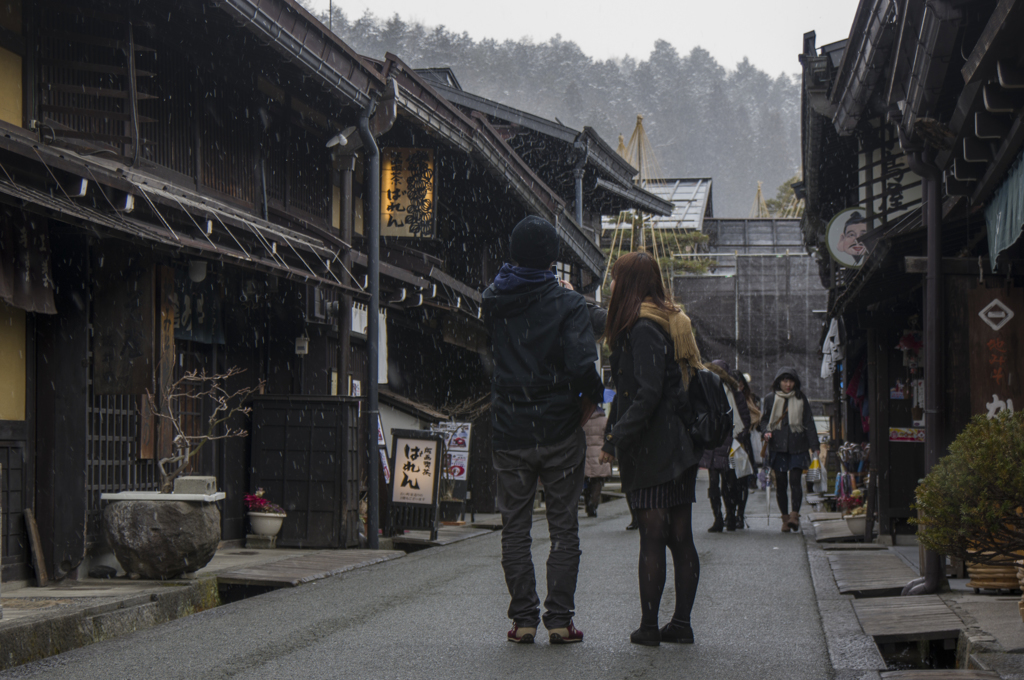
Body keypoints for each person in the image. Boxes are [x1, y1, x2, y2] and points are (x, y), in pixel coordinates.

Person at [482, 215, 603, 645]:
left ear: (513, 253)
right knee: (563, 528)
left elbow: (489, 358)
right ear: (553, 258)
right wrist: (591, 398)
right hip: (557, 429)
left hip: (510, 429)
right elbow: (581, 365)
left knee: (515, 527)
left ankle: (523, 620)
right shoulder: (568, 304)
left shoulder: (493, 299)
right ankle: (558, 619)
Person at [599, 251, 701, 647]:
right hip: (678, 445)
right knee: (680, 536)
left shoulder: (642, 327)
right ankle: (681, 623)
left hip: (654, 447)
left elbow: (644, 394)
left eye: (615, 277)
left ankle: (648, 626)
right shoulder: (668, 318)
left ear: (629, 283)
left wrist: (614, 439)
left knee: (653, 535)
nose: (610, 284)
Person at [759, 367, 820, 532]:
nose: (788, 384)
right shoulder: (770, 399)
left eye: (791, 381)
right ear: (779, 381)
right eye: (785, 380)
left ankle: (794, 515)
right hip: (777, 447)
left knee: (795, 481)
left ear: (795, 382)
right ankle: (785, 518)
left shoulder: (801, 398)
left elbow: (808, 423)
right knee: (781, 483)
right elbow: (763, 421)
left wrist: (815, 446)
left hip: (797, 446)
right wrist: (766, 432)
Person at [701, 360, 750, 531]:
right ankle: (718, 518)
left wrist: (737, 439)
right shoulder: (706, 391)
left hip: (730, 442)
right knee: (714, 483)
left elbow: (745, 420)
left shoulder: (735, 394)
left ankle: (730, 514)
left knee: (729, 483)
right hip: (712, 443)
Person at [583, 406, 610, 517]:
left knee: (587, 482)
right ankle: (593, 505)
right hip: (600, 454)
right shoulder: (604, 421)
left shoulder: (583, 419)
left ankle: (587, 502)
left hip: (586, 453)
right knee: (598, 482)